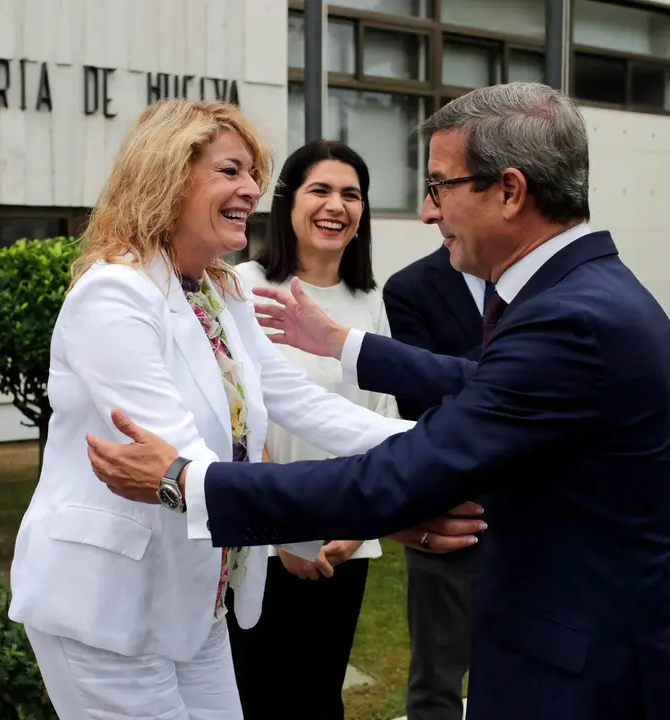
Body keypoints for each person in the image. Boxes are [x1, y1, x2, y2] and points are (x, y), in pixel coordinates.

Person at [86, 82, 670, 720]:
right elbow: (482, 390)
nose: (428, 213)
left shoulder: (571, 319)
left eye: (438, 186)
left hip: (582, 677)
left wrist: (189, 483)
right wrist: (348, 350)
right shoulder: (587, 296)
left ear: (510, 191)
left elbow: (451, 431)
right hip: (581, 657)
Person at [6, 99, 479, 720]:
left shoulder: (218, 289)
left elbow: (300, 401)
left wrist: (430, 450)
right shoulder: (115, 294)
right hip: (106, 608)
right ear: (167, 174)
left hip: (197, 600)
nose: (252, 189)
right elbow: (187, 463)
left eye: (253, 174)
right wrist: (388, 501)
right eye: (231, 171)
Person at [230, 140, 397, 719]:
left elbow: (377, 418)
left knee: (320, 699)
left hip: (345, 541)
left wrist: (359, 522)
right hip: (261, 541)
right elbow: (240, 420)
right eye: (320, 190)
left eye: (351, 194)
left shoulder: (369, 301)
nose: (336, 205)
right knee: (257, 697)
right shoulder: (239, 286)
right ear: (288, 204)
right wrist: (284, 532)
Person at [382, 246, 490, 720]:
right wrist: (521, 356)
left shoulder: (544, 282)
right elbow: (417, 400)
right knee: (438, 677)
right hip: (450, 511)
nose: (430, 210)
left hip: (539, 511)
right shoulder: (409, 288)